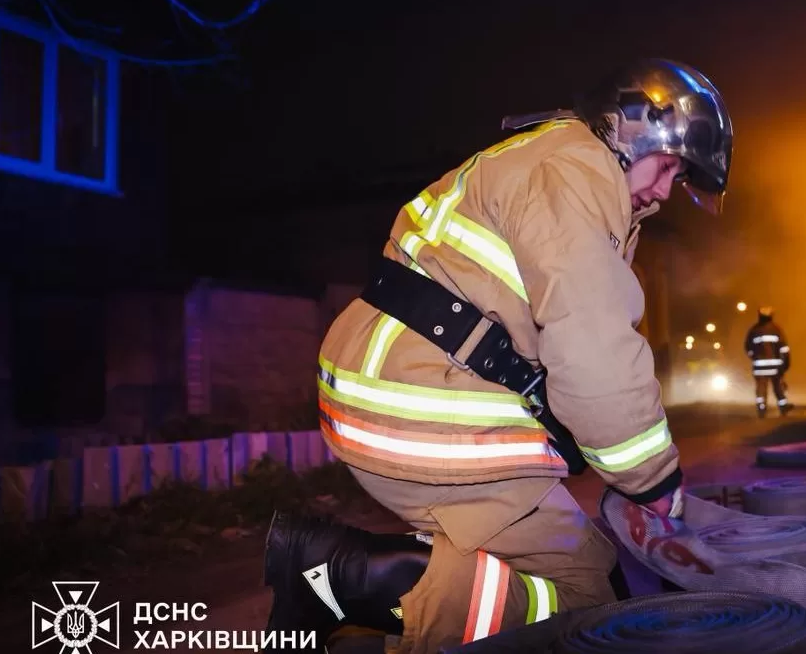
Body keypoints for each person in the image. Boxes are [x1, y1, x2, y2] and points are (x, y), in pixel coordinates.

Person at [261, 59, 733, 654]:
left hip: (400, 386)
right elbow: (594, 351)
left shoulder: (549, 159)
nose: (665, 193)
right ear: (628, 129)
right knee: (586, 601)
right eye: (666, 167)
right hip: (420, 403)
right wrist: (654, 482)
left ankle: (369, 607)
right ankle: (340, 577)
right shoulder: (577, 173)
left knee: (565, 573)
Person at [745, 306, 792, 417]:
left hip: (759, 367)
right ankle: (783, 407)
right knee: (778, 388)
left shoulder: (754, 330)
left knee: (761, 388)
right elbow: (783, 348)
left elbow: (748, 347)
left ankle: (761, 408)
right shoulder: (776, 329)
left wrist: (754, 357)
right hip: (775, 367)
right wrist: (786, 362)